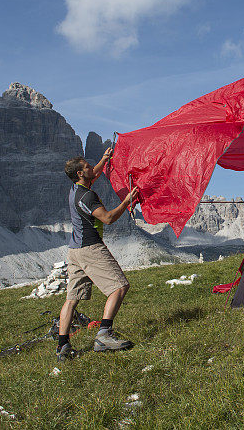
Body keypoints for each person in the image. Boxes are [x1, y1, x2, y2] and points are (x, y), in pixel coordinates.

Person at [57, 148, 139, 360]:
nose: (91, 168)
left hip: (74, 251)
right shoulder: (87, 195)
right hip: (90, 248)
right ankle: (104, 335)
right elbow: (108, 218)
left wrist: (104, 159)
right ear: (80, 174)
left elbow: (94, 173)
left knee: (72, 298)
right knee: (119, 286)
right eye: (86, 167)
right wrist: (127, 201)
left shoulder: (76, 190)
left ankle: (63, 346)